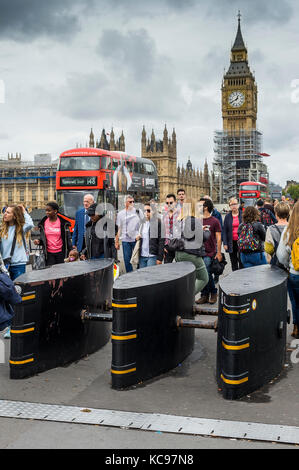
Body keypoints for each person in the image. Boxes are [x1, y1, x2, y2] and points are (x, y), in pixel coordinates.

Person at [0, 204, 34, 338]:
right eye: (4, 212)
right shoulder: (2, 229)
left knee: (18, 293)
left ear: (14, 215)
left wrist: (24, 211)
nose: (5, 214)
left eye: (8, 212)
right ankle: (8, 324)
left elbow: (30, 224)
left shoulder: (20, 228)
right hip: (6, 266)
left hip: (18, 264)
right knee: (6, 294)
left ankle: (18, 323)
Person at [175, 199, 209, 295]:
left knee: (186, 279)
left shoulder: (180, 220)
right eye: (198, 206)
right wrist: (207, 231)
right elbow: (202, 238)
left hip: (179, 253)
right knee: (203, 278)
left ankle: (184, 300)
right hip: (191, 253)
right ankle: (185, 298)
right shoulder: (194, 220)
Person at [277, 201, 299, 338]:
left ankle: (297, 328)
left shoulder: (289, 229)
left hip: (295, 273)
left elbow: (281, 255)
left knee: (295, 302)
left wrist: (287, 265)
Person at [196, 198, 222, 304]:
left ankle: (213, 292)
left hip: (209, 252)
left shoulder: (214, 221)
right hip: (198, 252)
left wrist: (219, 253)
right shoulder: (197, 220)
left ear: (205, 207)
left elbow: (219, 238)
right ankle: (204, 295)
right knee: (200, 275)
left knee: (206, 273)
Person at [34, 202, 72, 266]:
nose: (47, 212)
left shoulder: (63, 223)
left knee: (61, 273)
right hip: (48, 254)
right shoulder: (43, 223)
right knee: (50, 273)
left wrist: (71, 250)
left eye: (49, 210)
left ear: (55, 211)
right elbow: (43, 238)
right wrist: (39, 241)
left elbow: (67, 239)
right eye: (46, 211)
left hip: (61, 253)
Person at [115, 195, 140, 272]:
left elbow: (142, 225)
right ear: (125, 203)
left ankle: (139, 273)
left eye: (133, 201)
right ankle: (130, 276)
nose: (132, 203)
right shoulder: (120, 214)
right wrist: (116, 241)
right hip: (125, 241)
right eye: (130, 202)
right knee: (127, 260)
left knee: (139, 258)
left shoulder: (138, 212)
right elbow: (119, 228)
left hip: (136, 239)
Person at [136, 202, 165, 268]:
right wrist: (137, 237)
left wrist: (160, 258)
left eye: (148, 210)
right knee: (142, 276)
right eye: (144, 210)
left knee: (150, 277)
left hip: (152, 256)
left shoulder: (158, 222)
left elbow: (161, 241)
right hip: (142, 256)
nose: (146, 212)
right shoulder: (142, 223)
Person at [264, 202, 290, 266]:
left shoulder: (270, 229)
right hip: (291, 262)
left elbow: (268, 249)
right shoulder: (293, 227)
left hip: (276, 262)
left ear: (276, 214)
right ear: (288, 214)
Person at [223, 197, 243, 271]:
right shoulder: (227, 216)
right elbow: (224, 230)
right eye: (232, 204)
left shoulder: (243, 214)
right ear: (229, 206)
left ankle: (242, 277)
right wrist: (225, 243)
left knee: (242, 261)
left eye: (235, 204)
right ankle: (234, 278)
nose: (234, 206)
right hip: (231, 242)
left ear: (238, 205)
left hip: (242, 242)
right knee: (233, 261)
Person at [163, 194, 180, 264]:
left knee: (181, 268)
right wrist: (163, 247)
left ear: (175, 202)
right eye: (167, 203)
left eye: (171, 203)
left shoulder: (180, 214)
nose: (169, 204)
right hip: (167, 245)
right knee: (167, 268)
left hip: (178, 245)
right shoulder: (164, 215)